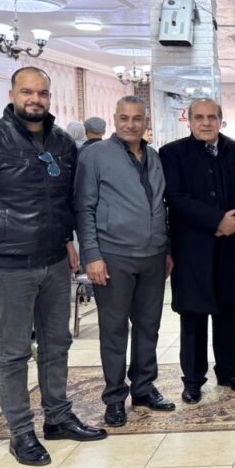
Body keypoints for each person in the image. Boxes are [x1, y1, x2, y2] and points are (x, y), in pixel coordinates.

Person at [0, 66, 105, 466]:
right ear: (13, 94)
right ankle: (21, 433)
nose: (35, 99)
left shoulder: (62, 142)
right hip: (8, 264)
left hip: (54, 260)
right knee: (14, 352)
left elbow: (64, 199)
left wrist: (67, 240)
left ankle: (58, 417)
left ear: (50, 97)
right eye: (27, 92)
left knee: (57, 343)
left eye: (42, 93)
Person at [74, 96, 175, 428]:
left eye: (137, 118)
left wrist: (167, 249)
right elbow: (84, 208)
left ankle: (144, 388)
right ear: (114, 120)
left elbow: (162, 206)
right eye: (124, 118)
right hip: (113, 255)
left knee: (148, 326)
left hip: (153, 256)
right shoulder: (95, 156)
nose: (131, 124)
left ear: (146, 121)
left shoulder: (155, 157)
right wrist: (92, 255)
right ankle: (115, 396)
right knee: (115, 329)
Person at [159, 98, 235, 404]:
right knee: (193, 317)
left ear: (220, 120)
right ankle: (192, 380)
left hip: (229, 248)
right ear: (189, 121)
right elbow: (175, 197)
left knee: (228, 313)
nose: (205, 123)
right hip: (192, 250)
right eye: (199, 117)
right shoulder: (172, 153)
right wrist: (216, 221)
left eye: (211, 117)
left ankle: (229, 371)